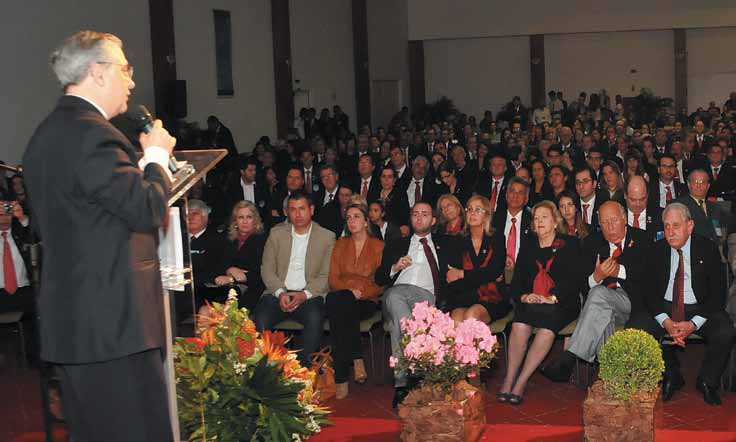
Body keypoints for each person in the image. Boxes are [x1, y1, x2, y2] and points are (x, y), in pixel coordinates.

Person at [22, 31, 176, 441]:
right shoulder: (94, 134)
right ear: (98, 72)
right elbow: (146, 208)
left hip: (78, 328)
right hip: (113, 330)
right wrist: (157, 156)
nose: (131, 80)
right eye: (125, 69)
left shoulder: (46, 135)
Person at [542, 201, 652, 383]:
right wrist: (596, 276)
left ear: (624, 218)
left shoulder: (643, 239)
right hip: (604, 305)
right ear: (599, 225)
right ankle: (607, 376)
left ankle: (570, 357)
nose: (610, 227)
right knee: (601, 305)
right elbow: (582, 286)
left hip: (634, 303)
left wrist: (619, 272)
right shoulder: (591, 243)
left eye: (614, 220)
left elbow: (648, 277)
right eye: (605, 223)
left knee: (598, 296)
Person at [639, 203, 735, 405]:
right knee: (638, 326)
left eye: (676, 225)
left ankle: (707, 381)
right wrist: (666, 322)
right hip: (666, 306)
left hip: (698, 307)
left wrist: (694, 324)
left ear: (690, 226)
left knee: (724, 330)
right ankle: (671, 375)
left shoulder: (707, 248)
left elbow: (718, 294)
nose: (670, 232)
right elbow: (648, 292)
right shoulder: (655, 250)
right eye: (666, 226)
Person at [376, 201, 461, 408]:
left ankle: (402, 384)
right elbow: (379, 278)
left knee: (399, 323)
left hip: (427, 299)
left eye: (425, 214)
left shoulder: (448, 243)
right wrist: (395, 268)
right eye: (415, 214)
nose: (419, 218)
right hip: (397, 292)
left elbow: (457, 275)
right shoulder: (397, 244)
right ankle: (415, 361)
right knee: (395, 298)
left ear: (433, 221)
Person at [499, 201, 581, 405]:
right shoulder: (528, 246)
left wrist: (552, 297)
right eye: (536, 218)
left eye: (545, 217)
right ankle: (509, 378)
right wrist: (525, 296)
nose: (539, 221)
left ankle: (522, 381)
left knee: (546, 329)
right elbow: (517, 281)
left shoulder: (569, 243)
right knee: (519, 324)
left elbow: (574, 279)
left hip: (561, 302)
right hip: (533, 300)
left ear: (555, 222)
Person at [255, 192, 336, 366]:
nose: (297, 214)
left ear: (311, 210)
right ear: (287, 212)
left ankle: (300, 371)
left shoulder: (327, 237)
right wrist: (280, 293)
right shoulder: (276, 233)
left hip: (309, 295)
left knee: (315, 319)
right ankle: (266, 369)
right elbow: (266, 269)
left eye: (302, 209)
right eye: (293, 210)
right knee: (259, 319)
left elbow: (325, 275)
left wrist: (304, 295)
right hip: (278, 293)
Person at [326, 200, 384, 399]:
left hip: (366, 300)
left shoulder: (378, 246)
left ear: (367, 221)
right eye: (348, 217)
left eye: (357, 216)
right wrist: (349, 291)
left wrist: (361, 292)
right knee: (339, 301)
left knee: (338, 307)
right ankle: (356, 358)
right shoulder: (340, 244)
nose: (352, 221)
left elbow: (382, 282)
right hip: (343, 296)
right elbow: (332, 278)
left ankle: (341, 377)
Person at [446, 195, 509, 324]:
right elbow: (452, 277)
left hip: (492, 298)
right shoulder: (457, 240)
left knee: (471, 316)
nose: (472, 213)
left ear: (486, 215)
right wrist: (484, 275)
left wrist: (462, 273)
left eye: (478, 209)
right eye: (469, 209)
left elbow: (495, 271)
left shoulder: (497, 238)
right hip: (464, 297)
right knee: (456, 321)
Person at [212, 201, 267, 311]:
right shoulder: (227, 240)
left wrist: (233, 277)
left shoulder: (263, 241)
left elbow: (259, 274)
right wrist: (230, 270)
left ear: (255, 220)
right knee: (205, 310)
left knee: (220, 312)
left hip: (252, 290)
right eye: (241, 217)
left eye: (249, 217)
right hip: (226, 288)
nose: (245, 221)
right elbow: (218, 266)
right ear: (235, 221)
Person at [186, 199, 227, 313]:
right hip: (180, 291)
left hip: (205, 290)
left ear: (205, 217)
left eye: (195, 213)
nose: (190, 217)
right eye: (187, 214)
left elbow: (217, 270)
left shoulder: (217, 239)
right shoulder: (176, 239)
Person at [673, 170, 718, 241]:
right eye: (695, 182)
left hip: (716, 247)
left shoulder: (715, 207)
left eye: (702, 182)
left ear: (708, 186)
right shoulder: (678, 205)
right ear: (688, 184)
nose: (699, 186)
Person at [625, 176, 663, 242]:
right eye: (633, 200)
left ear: (648, 195)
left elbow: (662, 238)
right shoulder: (617, 215)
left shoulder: (661, 215)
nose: (638, 204)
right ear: (625, 195)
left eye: (642, 199)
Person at [378, 166, 411, 235]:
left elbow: (404, 217)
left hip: (395, 231)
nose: (386, 180)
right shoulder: (374, 194)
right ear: (380, 179)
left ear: (394, 180)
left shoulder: (400, 195)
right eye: (383, 176)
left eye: (390, 177)